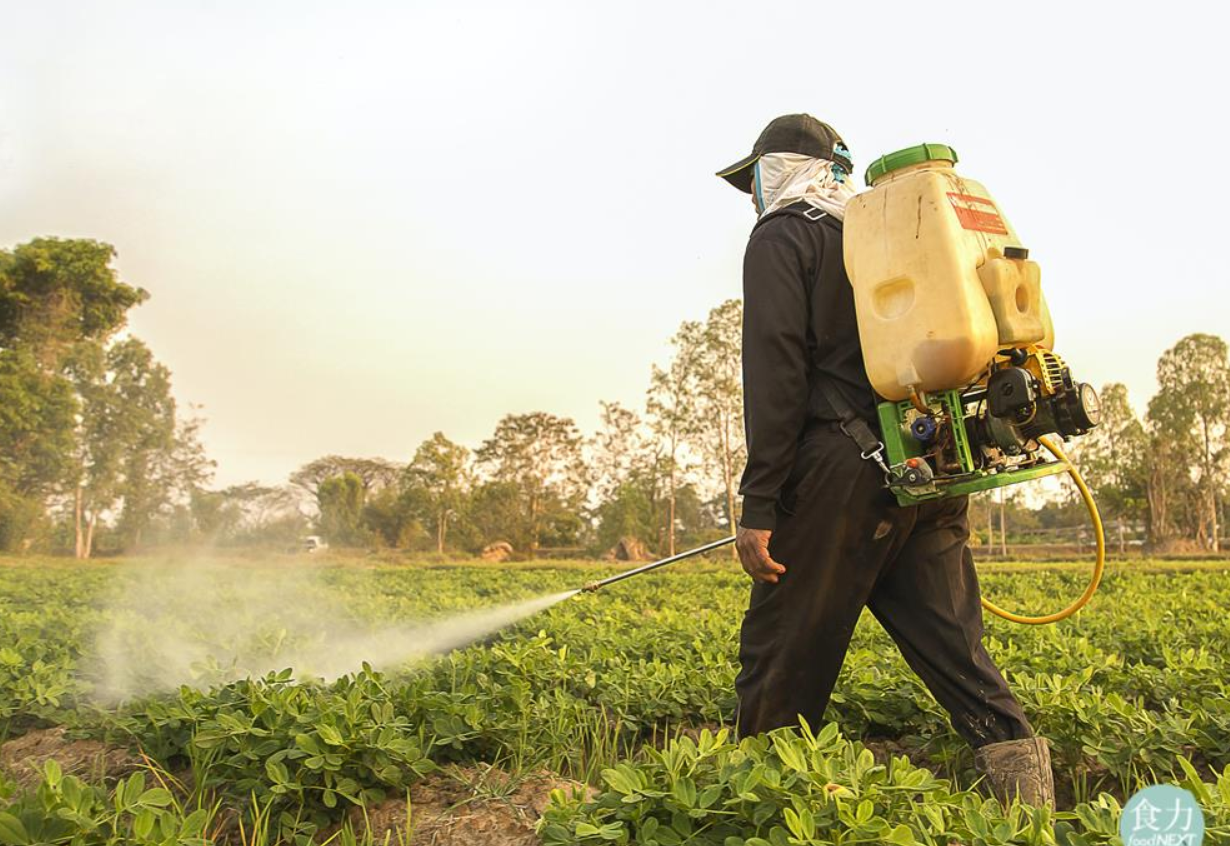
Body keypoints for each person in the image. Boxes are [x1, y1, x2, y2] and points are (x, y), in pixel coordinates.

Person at [715, 114, 1055, 808]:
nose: (751, 197)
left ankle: (754, 811)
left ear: (774, 171)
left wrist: (759, 506)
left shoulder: (786, 234)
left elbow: (776, 374)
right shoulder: (888, 239)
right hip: (928, 467)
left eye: (752, 181)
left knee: (779, 657)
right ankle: (1033, 810)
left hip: (839, 476)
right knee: (958, 655)